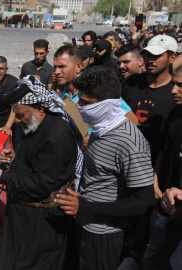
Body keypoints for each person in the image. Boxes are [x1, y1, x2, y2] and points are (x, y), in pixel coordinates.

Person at [54, 66, 154, 270]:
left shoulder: (130, 143)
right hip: (81, 224)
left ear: (105, 105)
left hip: (104, 236)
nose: (78, 106)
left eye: (85, 103)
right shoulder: (100, 129)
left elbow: (144, 203)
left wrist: (86, 207)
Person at [0, 75, 83, 270]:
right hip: (20, 218)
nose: (16, 121)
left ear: (40, 109)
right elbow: (34, 160)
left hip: (42, 223)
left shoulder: (56, 134)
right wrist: (14, 158)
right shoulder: (32, 124)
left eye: (20, 115)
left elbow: (43, 184)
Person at [54, 45, 138, 151]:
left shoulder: (97, 91)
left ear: (79, 67)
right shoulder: (60, 99)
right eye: (55, 67)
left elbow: (133, 122)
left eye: (62, 67)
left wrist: (95, 139)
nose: (56, 72)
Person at [143, 66, 182, 270]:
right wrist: (156, 186)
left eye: (180, 85)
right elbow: (163, 152)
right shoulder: (175, 114)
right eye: (173, 83)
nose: (173, 90)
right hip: (163, 205)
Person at [122, 34, 177, 166]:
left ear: (172, 58)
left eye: (157, 56)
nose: (150, 60)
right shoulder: (131, 83)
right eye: (147, 55)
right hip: (124, 158)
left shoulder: (176, 92)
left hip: (155, 165)